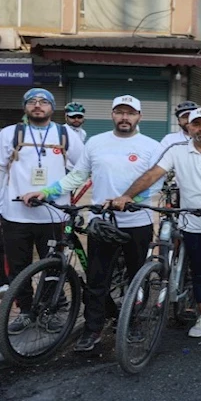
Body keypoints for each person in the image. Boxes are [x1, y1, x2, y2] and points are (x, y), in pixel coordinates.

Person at [23, 95, 162, 351]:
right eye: (119, 112)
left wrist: (130, 198)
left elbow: (156, 182)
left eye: (130, 113)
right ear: (112, 115)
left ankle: (134, 322)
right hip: (100, 222)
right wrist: (46, 192)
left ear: (139, 117)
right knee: (97, 280)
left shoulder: (151, 146)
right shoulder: (96, 143)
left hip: (136, 221)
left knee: (135, 276)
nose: (124, 117)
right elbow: (77, 175)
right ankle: (93, 329)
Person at [113, 107, 201, 340]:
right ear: (189, 128)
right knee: (199, 272)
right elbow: (153, 174)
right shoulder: (177, 149)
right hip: (191, 221)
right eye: (196, 125)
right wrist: (127, 195)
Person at [0, 88, 84, 334]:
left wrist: (63, 193)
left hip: (53, 214)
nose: (38, 105)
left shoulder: (66, 134)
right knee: (18, 267)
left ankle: (49, 310)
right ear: (25, 107)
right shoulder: (8, 134)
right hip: (15, 215)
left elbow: (82, 168)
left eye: (44, 101)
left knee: (52, 265)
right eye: (32, 101)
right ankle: (25, 311)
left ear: (52, 107)